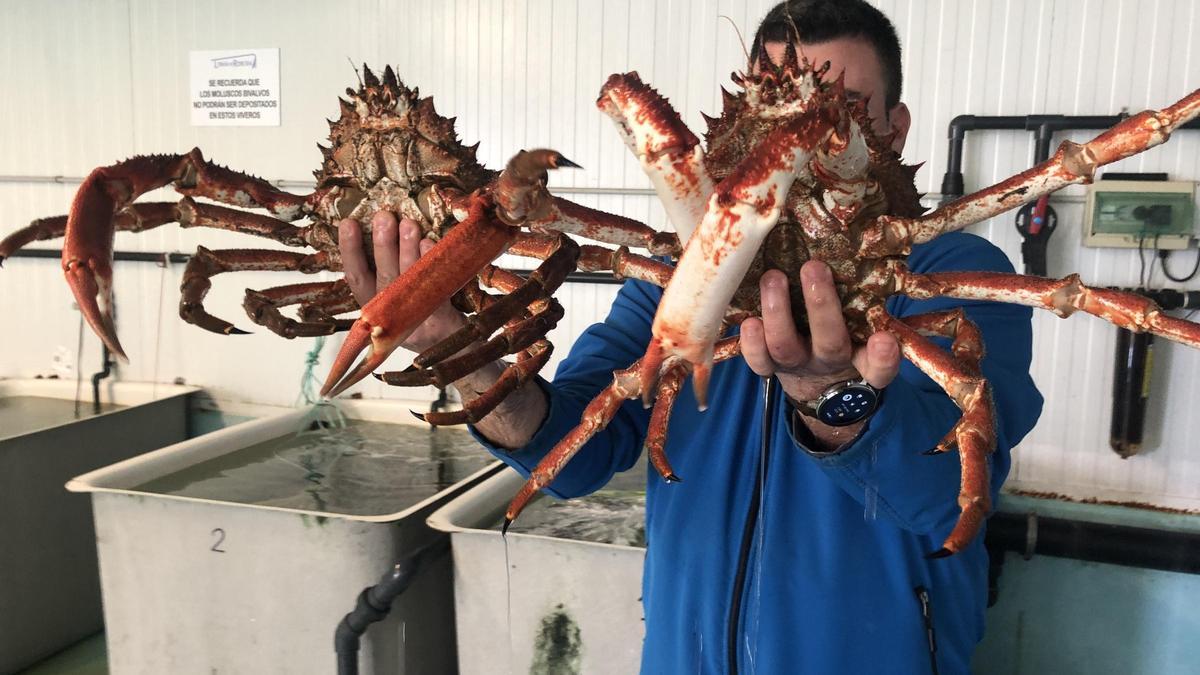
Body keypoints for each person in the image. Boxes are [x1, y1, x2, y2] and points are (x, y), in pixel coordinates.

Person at [338, 1, 1043, 672]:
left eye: (843, 112)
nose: (796, 145)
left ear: (892, 129)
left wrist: (836, 403)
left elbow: (954, 495)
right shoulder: (677, 272)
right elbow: (569, 450)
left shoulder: (957, 274)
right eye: (777, 121)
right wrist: (453, 342)